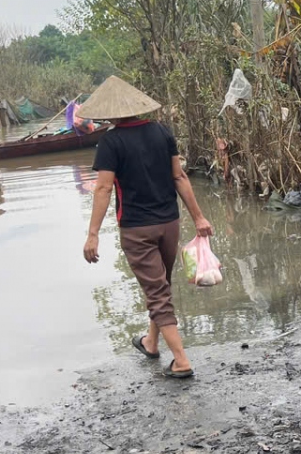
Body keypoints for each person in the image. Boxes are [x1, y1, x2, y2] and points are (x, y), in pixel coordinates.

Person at [78, 76, 212, 379]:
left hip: (137, 230)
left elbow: (103, 189)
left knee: (156, 291)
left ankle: (181, 361)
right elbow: (179, 177)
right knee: (160, 286)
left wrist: (93, 234)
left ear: (109, 112)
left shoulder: (111, 142)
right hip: (169, 223)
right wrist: (199, 217)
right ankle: (151, 342)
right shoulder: (161, 132)